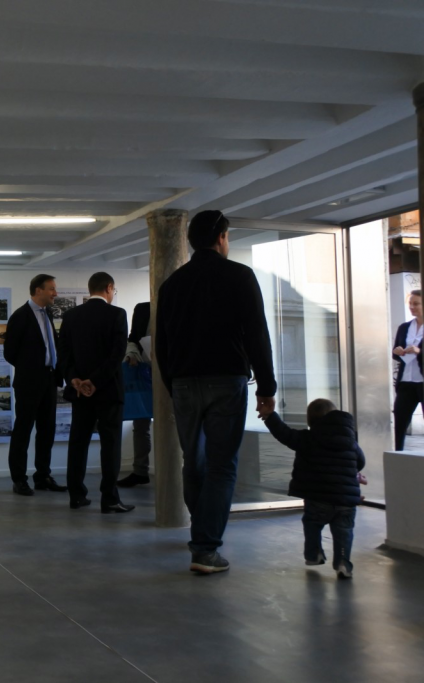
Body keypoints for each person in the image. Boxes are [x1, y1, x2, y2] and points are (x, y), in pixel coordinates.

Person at [156, 209, 277, 574]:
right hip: (227, 381)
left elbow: (162, 343)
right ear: (222, 237)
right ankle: (205, 548)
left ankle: (202, 532)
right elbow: (257, 333)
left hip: (183, 383)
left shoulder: (172, 284)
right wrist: (267, 386)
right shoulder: (239, 275)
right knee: (222, 465)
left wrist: (173, 384)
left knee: (193, 461)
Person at [259, 398, 366, 579]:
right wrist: (351, 474)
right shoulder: (350, 441)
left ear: (310, 420)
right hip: (346, 502)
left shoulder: (307, 438)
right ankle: (343, 563)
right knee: (344, 532)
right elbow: (360, 462)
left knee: (312, 524)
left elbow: (284, 434)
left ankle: (314, 554)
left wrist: (270, 417)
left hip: (318, 500)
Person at [58, 272, 133, 512]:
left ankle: (76, 496)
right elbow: (117, 354)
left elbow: (64, 354)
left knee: (78, 443)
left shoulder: (71, 316)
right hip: (108, 391)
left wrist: (75, 380)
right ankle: (109, 499)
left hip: (80, 393)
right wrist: (95, 381)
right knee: (110, 445)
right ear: (109, 288)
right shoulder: (117, 314)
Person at [4, 274, 66, 495]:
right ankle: (19, 479)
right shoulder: (20, 316)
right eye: (51, 289)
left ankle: (43, 476)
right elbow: (10, 353)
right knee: (23, 430)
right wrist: (30, 369)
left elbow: (51, 347)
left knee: (47, 430)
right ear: (38, 290)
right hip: (29, 382)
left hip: (49, 380)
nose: (55, 293)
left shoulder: (47, 313)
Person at [119, 301, 152, 488]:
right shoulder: (142, 309)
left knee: (175, 425)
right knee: (140, 423)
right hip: (144, 372)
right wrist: (131, 353)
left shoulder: (179, 304)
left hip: (173, 373)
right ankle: (140, 471)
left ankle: (176, 472)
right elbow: (133, 338)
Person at [392, 289, 423, 451]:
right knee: (400, 422)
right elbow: (395, 353)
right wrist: (398, 351)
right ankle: (397, 454)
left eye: (416, 303)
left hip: (422, 381)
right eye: (410, 303)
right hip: (406, 381)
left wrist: (419, 351)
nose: (412, 307)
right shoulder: (404, 327)